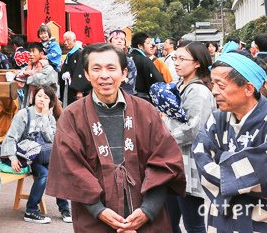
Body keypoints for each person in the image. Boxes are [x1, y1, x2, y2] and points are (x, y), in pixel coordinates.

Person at [46, 43, 186, 233]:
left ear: (124, 72)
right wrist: (99, 211)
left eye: (111, 68)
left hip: (147, 219)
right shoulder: (72, 117)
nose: (104, 75)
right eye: (96, 68)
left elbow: (166, 162)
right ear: (87, 74)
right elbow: (71, 169)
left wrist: (148, 210)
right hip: (95, 219)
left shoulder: (146, 111)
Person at [194, 53, 267, 232]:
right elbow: (202, 160)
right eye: (213, 83)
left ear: (249, 89)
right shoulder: (216, 120)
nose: (214, 91)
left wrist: (224, 159)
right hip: (225, 223)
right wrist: (244, 172)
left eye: (221, 85)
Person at [162, 42, 215, 233]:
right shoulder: (180, 85)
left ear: (197, 64)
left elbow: (194, 129)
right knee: (168, 220)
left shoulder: (198, 91)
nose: (176, 62)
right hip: (174, 164)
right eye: (175, 58)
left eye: (182, 59)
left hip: (189, 165)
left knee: (193, 224)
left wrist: (162, 140)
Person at [0, 84, 71, 224]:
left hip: (43, 155)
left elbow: (51, 138)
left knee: (59, 171)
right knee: (44, 174)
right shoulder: (24, 114)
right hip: (27, 157)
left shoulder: (50, 118)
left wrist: (45, 116)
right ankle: (31, 211)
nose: (42, 99)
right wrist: (13, 158)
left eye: (46, 97)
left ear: (51, 101)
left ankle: (64, 209)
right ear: (33, 97)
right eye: (39, 96)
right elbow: (11, 137)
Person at [129, 32, 165, 102]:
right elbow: (159, 82)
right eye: (148, 43)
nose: (151, 45)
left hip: (127, 98)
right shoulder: (145, 60)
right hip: (143, 100)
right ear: (140, 46)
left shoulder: (126, 58)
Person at [59, 32, 90, 105]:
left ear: (74, 40)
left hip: (75, 89)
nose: (65, 43)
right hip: (68, 87)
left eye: (68, 40)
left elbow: (80, 72)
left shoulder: (79, 53)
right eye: (64, 41)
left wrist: (79, 90)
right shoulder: (70, 53)